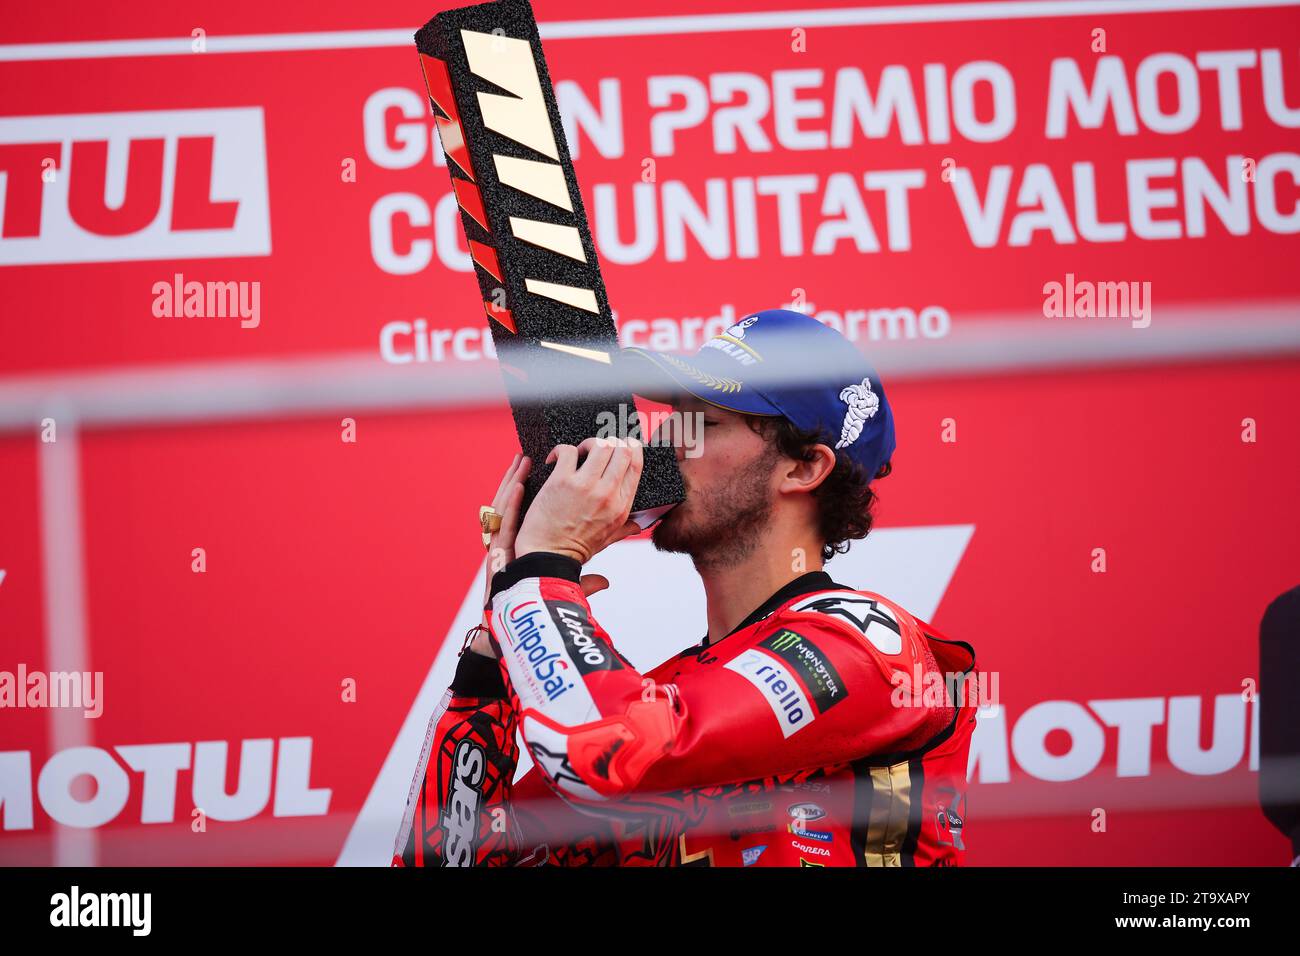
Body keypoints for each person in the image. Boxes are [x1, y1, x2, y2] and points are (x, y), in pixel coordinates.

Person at [393, 309, 979, 867]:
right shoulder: (670, 695)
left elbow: (611, 754)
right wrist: (495, 646)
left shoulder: (871, 646)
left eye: (707, 421)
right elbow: (450, 855)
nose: (667, 438)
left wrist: (544, 572)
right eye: (673, 415)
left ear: (804, 467)